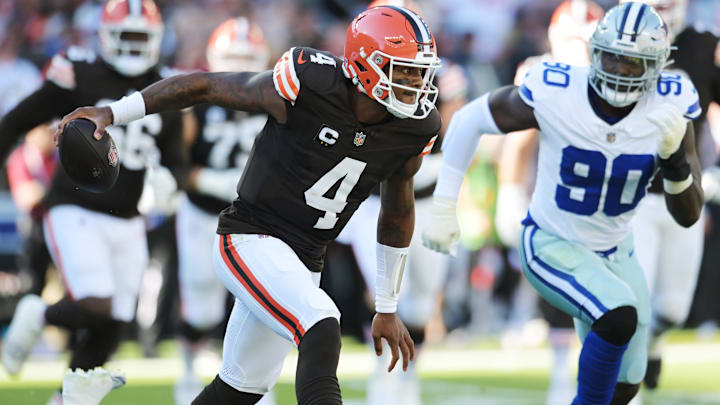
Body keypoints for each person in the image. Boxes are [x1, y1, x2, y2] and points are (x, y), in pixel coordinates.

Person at [55, 5, 442, 405]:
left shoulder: (415, 127)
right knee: (322, 322)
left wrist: (387, 306)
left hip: (306, 259)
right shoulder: (311, 84)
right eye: (405, 69)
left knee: (239, 390)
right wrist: (113, 112)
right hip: (250, 236)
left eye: (420, 71)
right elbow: (203, 86)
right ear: (364, 63)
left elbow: (396, 213)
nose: (416, 82)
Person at [423, 3, 703, 405]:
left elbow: (689, 215)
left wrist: (676, 161)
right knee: (617, 312)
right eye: (614, 58)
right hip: (552, 243)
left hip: (615, 250)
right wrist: (444, 203)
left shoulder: (672, 101)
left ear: (658, 65)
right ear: (595, 51)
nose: (621, 71)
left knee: (627, 383)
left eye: (634, 63)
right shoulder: (559, 89)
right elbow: (471, 118)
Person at [0, 2, 186, 404]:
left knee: (115, 321)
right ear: (106, 37)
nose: (134, 46)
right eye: (127, 36)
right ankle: (38, 315)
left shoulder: (165, 87)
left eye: (142, 37)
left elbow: (176, 162)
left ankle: (65, 399)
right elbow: (16, 120)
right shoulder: (80, 72)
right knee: (97, 303)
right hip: (74, 207)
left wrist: (170, 185)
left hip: (130, 217)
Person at [494, 2, 603, 404]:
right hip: (555, 195)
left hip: (603, 197)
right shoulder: (544, 72)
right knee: (564, 289)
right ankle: (562, 372)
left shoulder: (611, 71)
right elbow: (519, 138)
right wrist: (509, 193)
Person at [618, 0, 720, 393]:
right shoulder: (620, 39)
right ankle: (631, 381)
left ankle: (655, 342)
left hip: (686, 190)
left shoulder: (701, 45)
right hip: (634, 193)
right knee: (635, 301)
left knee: (673, 310)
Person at [173, 16, 274, 405]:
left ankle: (255, 385)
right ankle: (188, 369)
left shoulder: (275, 100)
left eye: (247, 56)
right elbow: (181, 165)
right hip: (204, 212)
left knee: (260, 300)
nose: (240, 65)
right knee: (201, 304)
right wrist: (221, 181)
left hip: (255, 216)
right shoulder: (199, 100)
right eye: (232, 56)